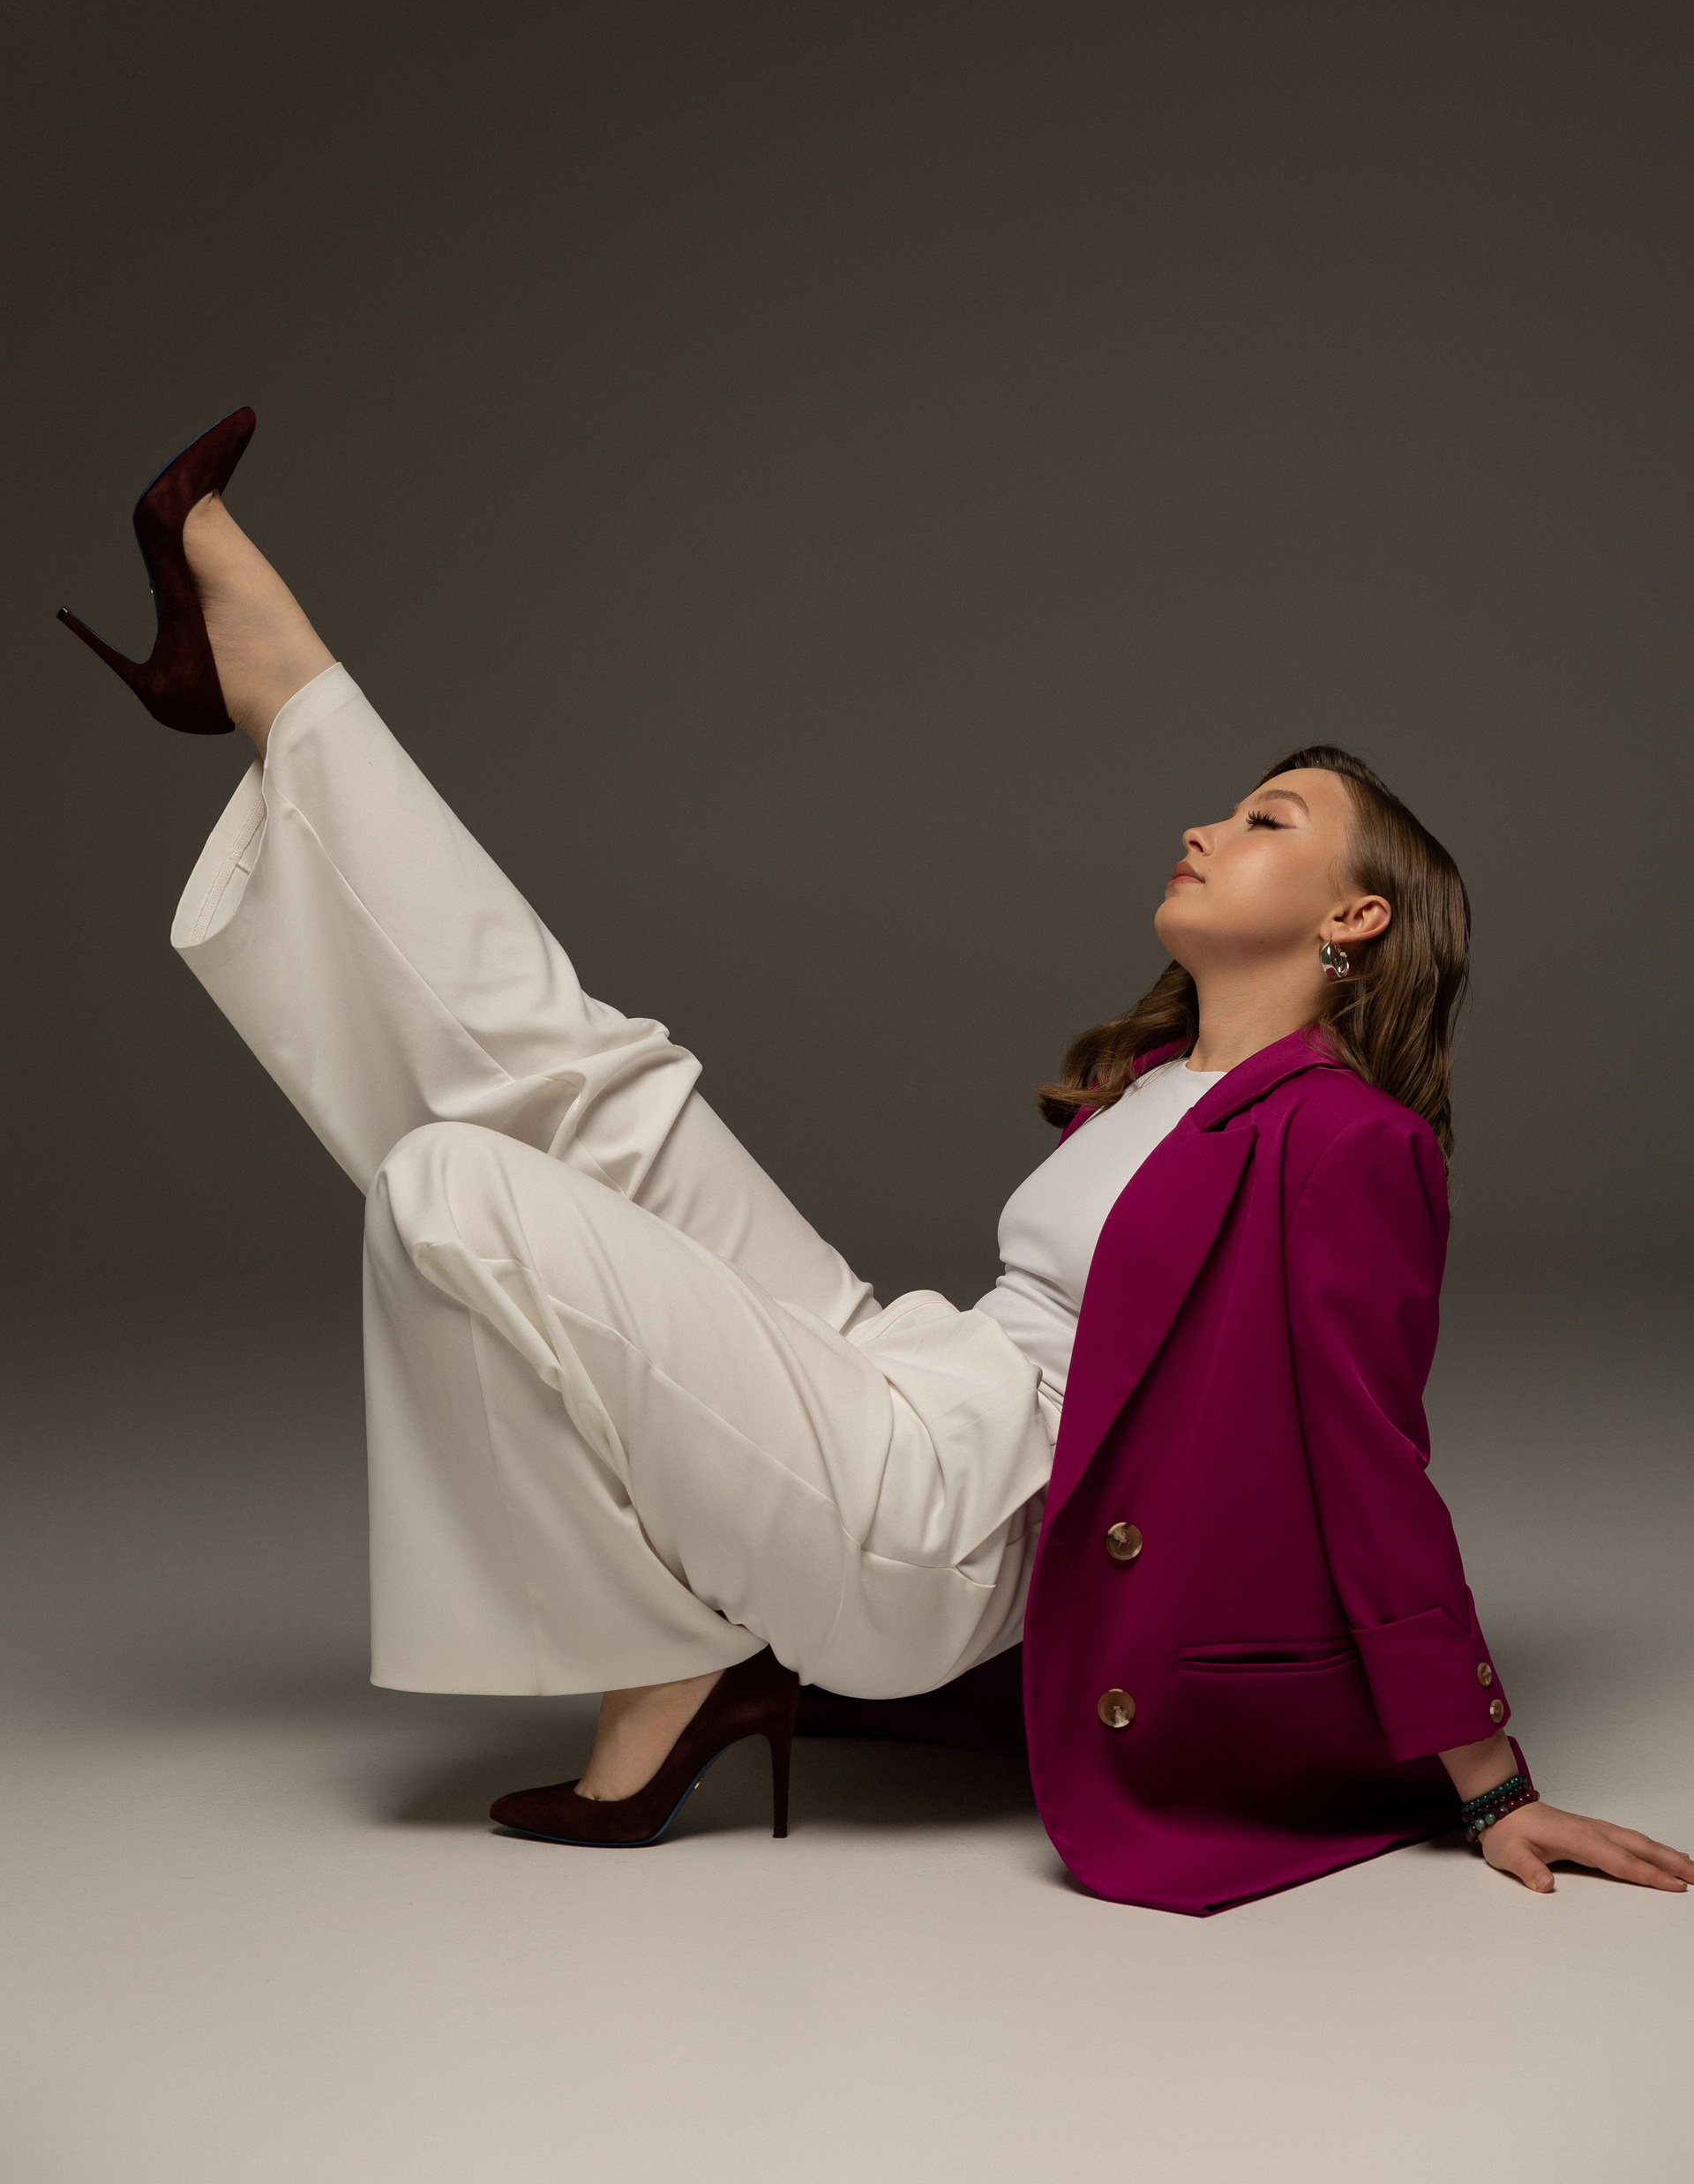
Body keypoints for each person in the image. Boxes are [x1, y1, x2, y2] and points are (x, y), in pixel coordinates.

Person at [57, 411, 1692, 1911]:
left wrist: (1490, 1783)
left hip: (943, 1520)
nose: (1206, 828)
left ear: (1356, 918)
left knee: (446, 1184)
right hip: (906, 1374)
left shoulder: (1350, 1141)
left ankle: (668, 1658)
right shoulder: (1156, 1087)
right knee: (598, 1082)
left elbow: (1368, 1460)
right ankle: (285, 695)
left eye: (1268, 820)